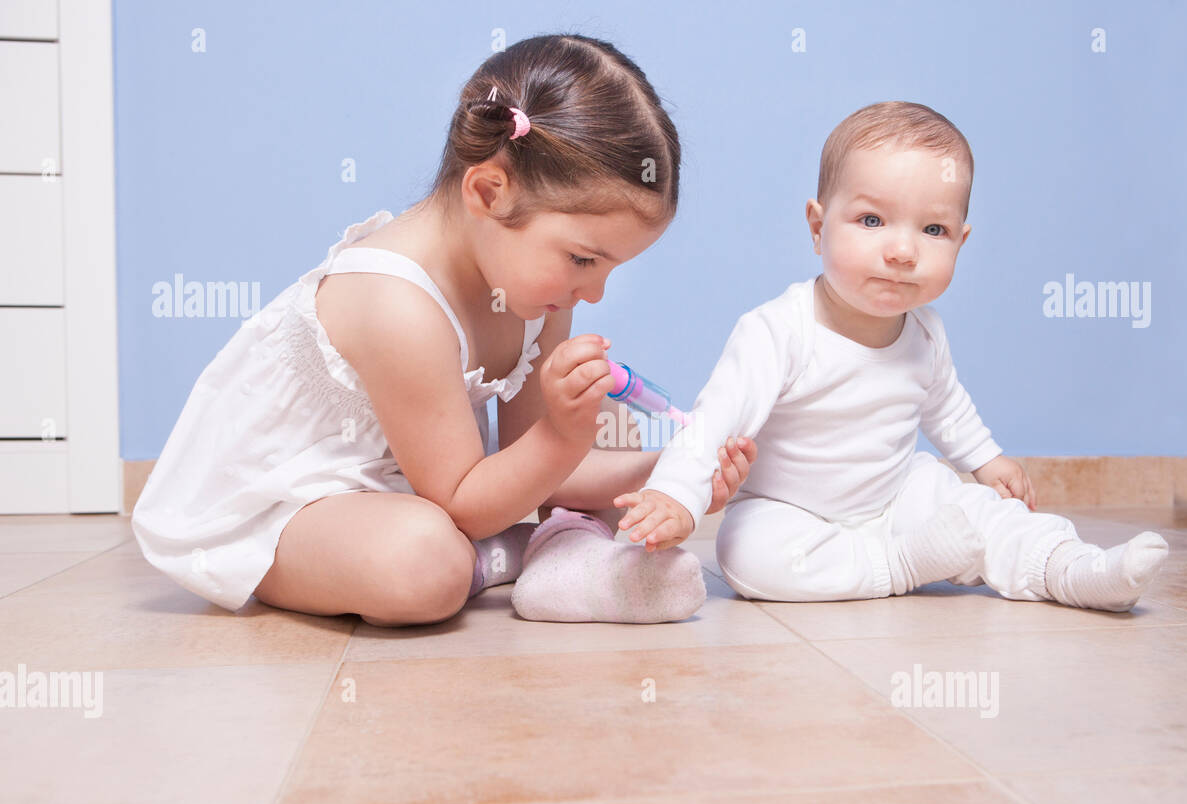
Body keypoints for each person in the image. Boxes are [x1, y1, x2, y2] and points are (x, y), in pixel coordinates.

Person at [131, 34, 757, 627]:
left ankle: (535, 554)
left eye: (610, 268)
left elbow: (528, 466)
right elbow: (466, 498)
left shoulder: (538, 289)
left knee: (541, 506)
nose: (593, 292)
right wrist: (562, 439)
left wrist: (668, 469)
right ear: (488, 191)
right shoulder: (395, 304)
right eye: (584, 260)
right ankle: (515, 558)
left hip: (422, 494)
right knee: (426, 565)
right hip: (284, 505)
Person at [614, 101, 1169, 612]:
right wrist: (676, 496)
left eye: (933, 229)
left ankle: (1070, 570)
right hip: (792, 512)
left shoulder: (925, 332)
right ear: (817, 226)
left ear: (960, 242)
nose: (903, 251)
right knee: (749, 554)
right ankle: (898, 564)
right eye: (872, 221)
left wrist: (986, 461)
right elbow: (713, 422)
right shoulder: (777, 330)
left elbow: (947, 408)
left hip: (894, 498)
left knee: (982, 512)